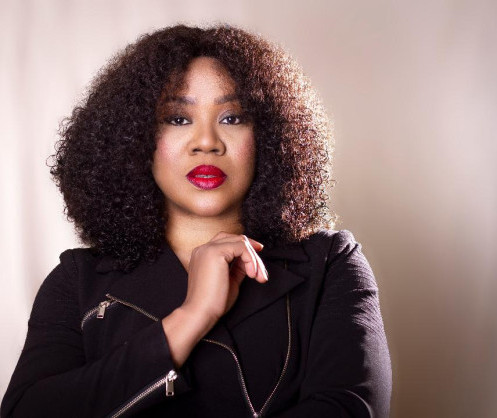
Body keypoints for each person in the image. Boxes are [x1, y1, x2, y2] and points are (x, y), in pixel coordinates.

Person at [1, 24, 392, 417]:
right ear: (135, 138)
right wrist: (192, 317)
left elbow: (350, 410)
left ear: (269, 136)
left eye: (233, 118)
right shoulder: (78, 281)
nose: (207, 142)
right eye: (177, 118)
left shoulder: (330, 263)